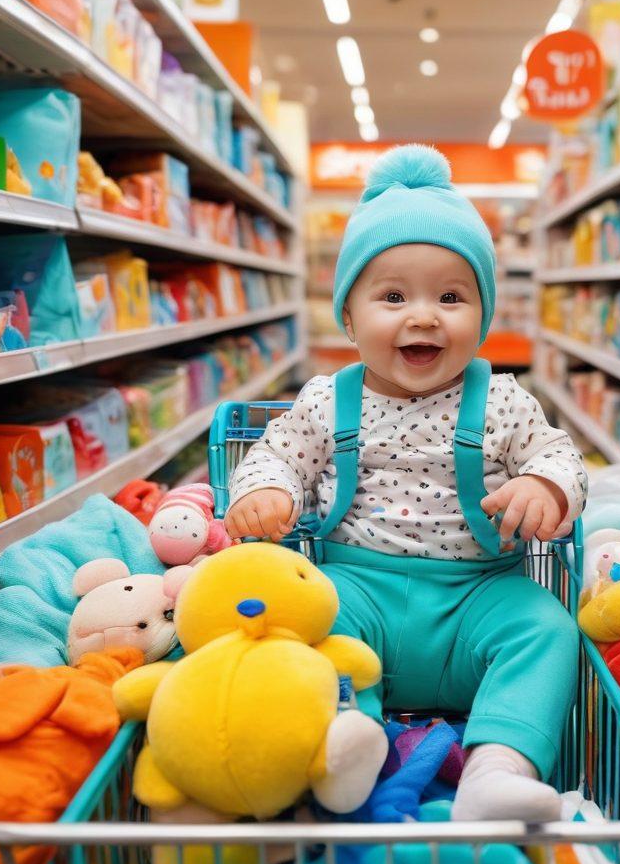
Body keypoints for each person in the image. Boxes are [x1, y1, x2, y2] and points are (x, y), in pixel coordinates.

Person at [225, 145, 587, 822]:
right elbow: (276, 456)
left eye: (452, 297)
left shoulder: (504, 400)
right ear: (350, 317)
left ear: (483, 313)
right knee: (305, 626)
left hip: (480, 594)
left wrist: (546, 488)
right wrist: (265, 491)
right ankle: (343, 747)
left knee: (547, 628)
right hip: (359, 590)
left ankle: (496, 768)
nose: (423, 316)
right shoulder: (326, 401)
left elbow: (560, 455)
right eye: (392, 296)